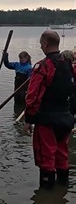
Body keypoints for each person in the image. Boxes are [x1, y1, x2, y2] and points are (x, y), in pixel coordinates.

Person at [24, 31, 74, 189]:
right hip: (65, 119)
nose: (40, 46)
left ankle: (46, 197)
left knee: (46, 158)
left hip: (47, 120)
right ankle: (62, 194)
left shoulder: (43, 66)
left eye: (41, 44)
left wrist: (29, 119)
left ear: (45, 44)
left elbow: (33, 95)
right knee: (62, 156)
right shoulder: (68, 65)